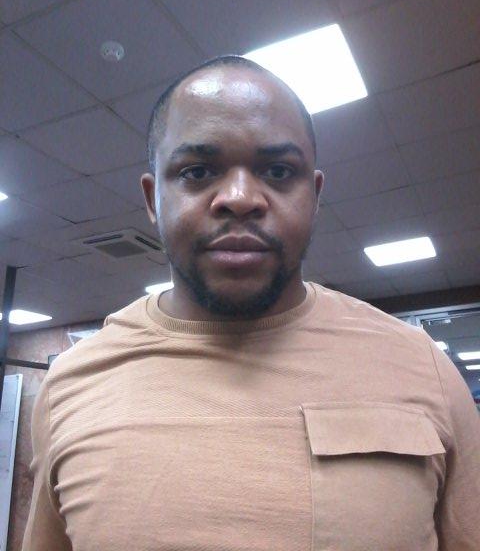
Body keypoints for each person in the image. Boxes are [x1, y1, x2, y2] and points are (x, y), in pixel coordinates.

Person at [22, 56, 480, 551]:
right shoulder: (70, 385)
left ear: (315, 196)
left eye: (279, 171)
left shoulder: (421, 367)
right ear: (153, 200)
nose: (240, 198)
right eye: (197, 171)